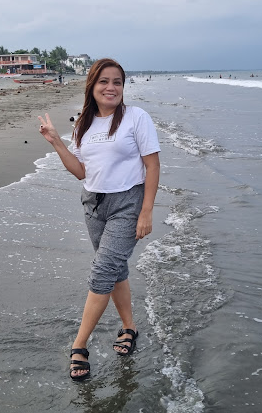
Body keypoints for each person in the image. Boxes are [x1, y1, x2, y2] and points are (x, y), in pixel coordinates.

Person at [38, 58, 161, 381]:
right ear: (92, 86)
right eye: (104, 81)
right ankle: (129, 327)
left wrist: (146, 211)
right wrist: (56, 142)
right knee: (115, 269)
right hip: (93, 205)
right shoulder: (84, 124)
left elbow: (152, 165)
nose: (111, 87)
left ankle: (79, 345)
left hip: (128, 204)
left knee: (103, 271)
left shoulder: (136, 117)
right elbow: (81, 171)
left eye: (117, 82)